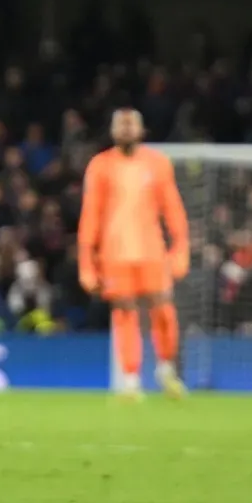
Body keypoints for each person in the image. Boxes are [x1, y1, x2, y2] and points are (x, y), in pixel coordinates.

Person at [78, 108, 190, 399]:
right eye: (121, 125)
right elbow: (90, 216)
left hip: (152, 251)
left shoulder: (158, 164)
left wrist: (180, 249)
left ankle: (166, 369)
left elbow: (173, 210)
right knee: (125, 314)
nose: (126, 129)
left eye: (131, 124)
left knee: (164, 310)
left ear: (142, 130)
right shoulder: (100, 166)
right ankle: (130, 379)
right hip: (115, 254)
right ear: (113, 131)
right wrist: (86, 264)